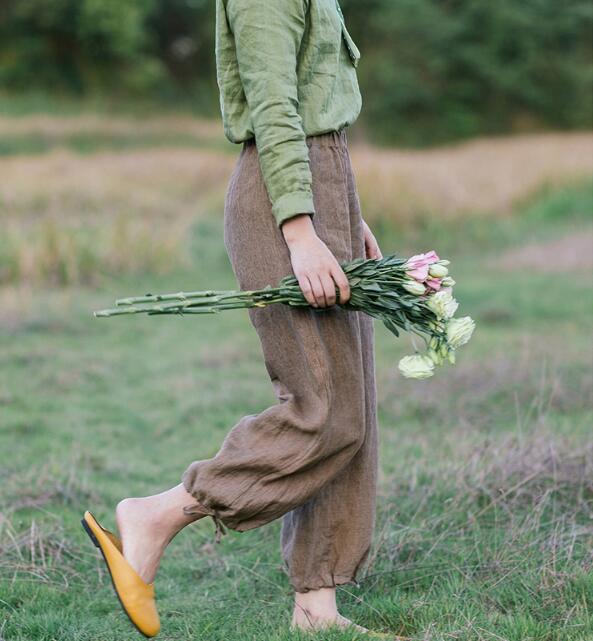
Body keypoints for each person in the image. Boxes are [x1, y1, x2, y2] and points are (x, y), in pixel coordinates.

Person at [82, 0, 400, 638]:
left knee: (352, 410)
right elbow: (274, 104)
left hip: (324, 185)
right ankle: (160, 513)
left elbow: (315, 95)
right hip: (287, 201)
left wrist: (347, 214)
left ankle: (316, 609)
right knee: (325, 412)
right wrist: (301, 232)